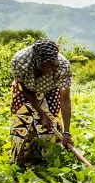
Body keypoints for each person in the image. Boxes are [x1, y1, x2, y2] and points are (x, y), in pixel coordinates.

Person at [8, 39, 75, 167]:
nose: (49, 69)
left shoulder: (63, 66)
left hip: (51, 91)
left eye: (51, 64)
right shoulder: (20, 61)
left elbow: (65, 99)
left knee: (50, 127)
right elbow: (24, 88)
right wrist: (41, 113)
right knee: (21, 127)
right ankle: (20, 164)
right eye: (44, 65)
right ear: (36, 60)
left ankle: (46, 162)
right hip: (25, 91)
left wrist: (66, 132)